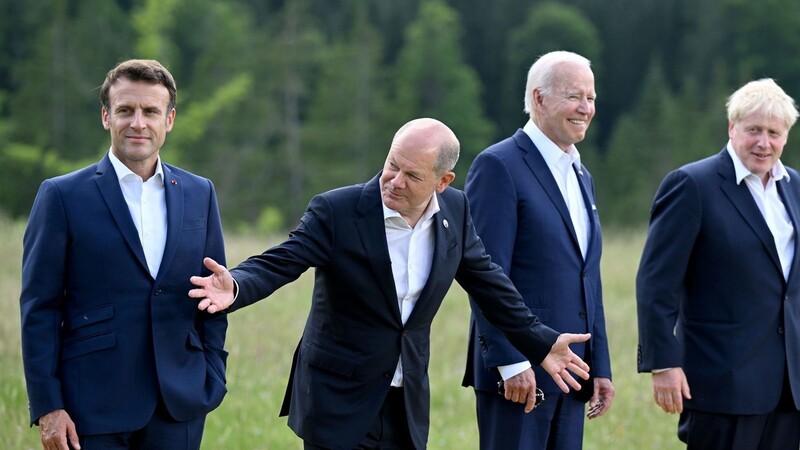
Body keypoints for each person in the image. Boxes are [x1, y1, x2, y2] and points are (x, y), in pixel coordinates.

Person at [189, 117, 592, 450]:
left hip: (406, 398)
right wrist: (236, 286)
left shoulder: (456, 209)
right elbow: (282, 261)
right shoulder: (338, 210)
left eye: (411, 175)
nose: (394, 181)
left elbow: (490, 284)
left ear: (443, 180)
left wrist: (540, 341)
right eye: (392, 164)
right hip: (338, 397)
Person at [20, 59, 228, 450]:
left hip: (178, 404)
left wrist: (212, 373)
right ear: (105, 117)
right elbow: (39, 308)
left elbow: (212, 292)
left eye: (150, 111)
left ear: (169, 120)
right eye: (125, 110)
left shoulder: (201, 193)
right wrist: (48, 406)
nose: (138, 123)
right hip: (90, 409)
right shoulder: (61, 196)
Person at [461, 51, 614, 450]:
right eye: (574, 97)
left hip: (572, 374)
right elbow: (485, 275)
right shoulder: (498, 166)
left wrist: (600, 364)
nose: (586, 108)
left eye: (592, 98)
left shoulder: (582, 175)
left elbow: (587, 278)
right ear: (539, 99)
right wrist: (511, 362)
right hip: (520, 377)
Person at [636, 78, 800, 449]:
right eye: (753, 130)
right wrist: (663, 363)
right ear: (732, 127)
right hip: (721, 386)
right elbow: (656, 284)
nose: (764, 142)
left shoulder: (796, 189)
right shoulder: (692, 185)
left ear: (786, 137)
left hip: (791, 391)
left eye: (774, 132)